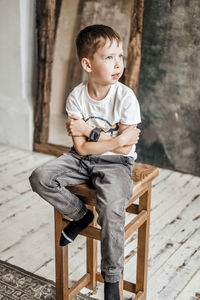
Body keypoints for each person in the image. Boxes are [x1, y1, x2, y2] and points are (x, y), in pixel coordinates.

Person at [29, 24, 141, 300]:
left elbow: (126, 146)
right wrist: (112, 139)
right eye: (109, 57)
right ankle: (80, 215)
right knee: (40, 176)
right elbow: (80, 147)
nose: (118, 64)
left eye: (120, 57)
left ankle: (112, 281)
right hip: (80, 159)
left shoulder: (125, 97)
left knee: (111, 208)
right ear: (87, 63)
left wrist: (93, 135)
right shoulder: (77, 97)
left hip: (116, 163)